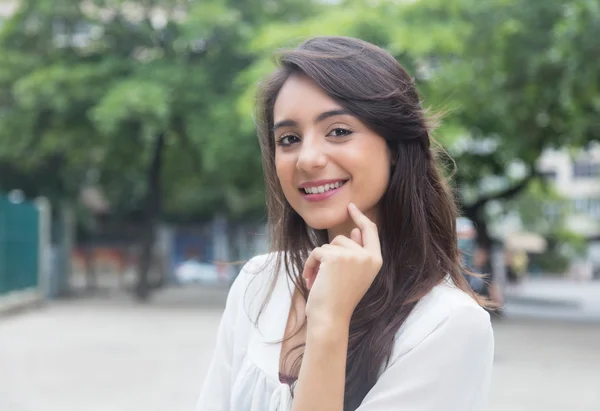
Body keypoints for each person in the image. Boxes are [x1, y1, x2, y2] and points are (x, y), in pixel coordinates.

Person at [196, 36, 494, 411]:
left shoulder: (447, 324)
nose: (308, 158)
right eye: (288, 139)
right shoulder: (259, 283)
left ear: (396, 148)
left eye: (338, 131)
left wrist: (329, 320)